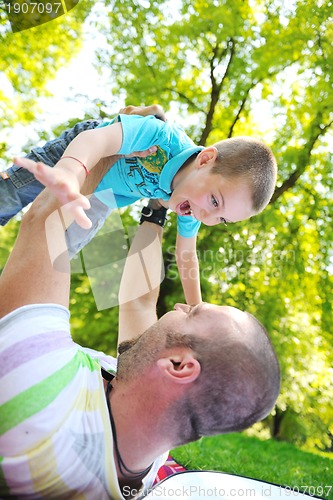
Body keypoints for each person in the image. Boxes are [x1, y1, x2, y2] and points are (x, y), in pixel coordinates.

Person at [0, 153, 280, 498]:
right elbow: (139, 301)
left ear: (179, 365)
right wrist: (158, 207)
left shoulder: (43, 393)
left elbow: (46, 221)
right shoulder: (148, 445)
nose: (180, 304)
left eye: (192, 314)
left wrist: (119, 144)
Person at [0, 105, 277, 305]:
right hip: (83, 154)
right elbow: (96, 140)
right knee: (13, 194)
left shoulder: (194, 204)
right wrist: (71, 172)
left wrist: (196, 308)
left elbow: (186, 254)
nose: (206, 216)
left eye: (222, 219)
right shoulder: (161, 138)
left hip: (104, 194)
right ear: (205, 161)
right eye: (215, 201)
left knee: (55, 252)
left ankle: (17, 299)